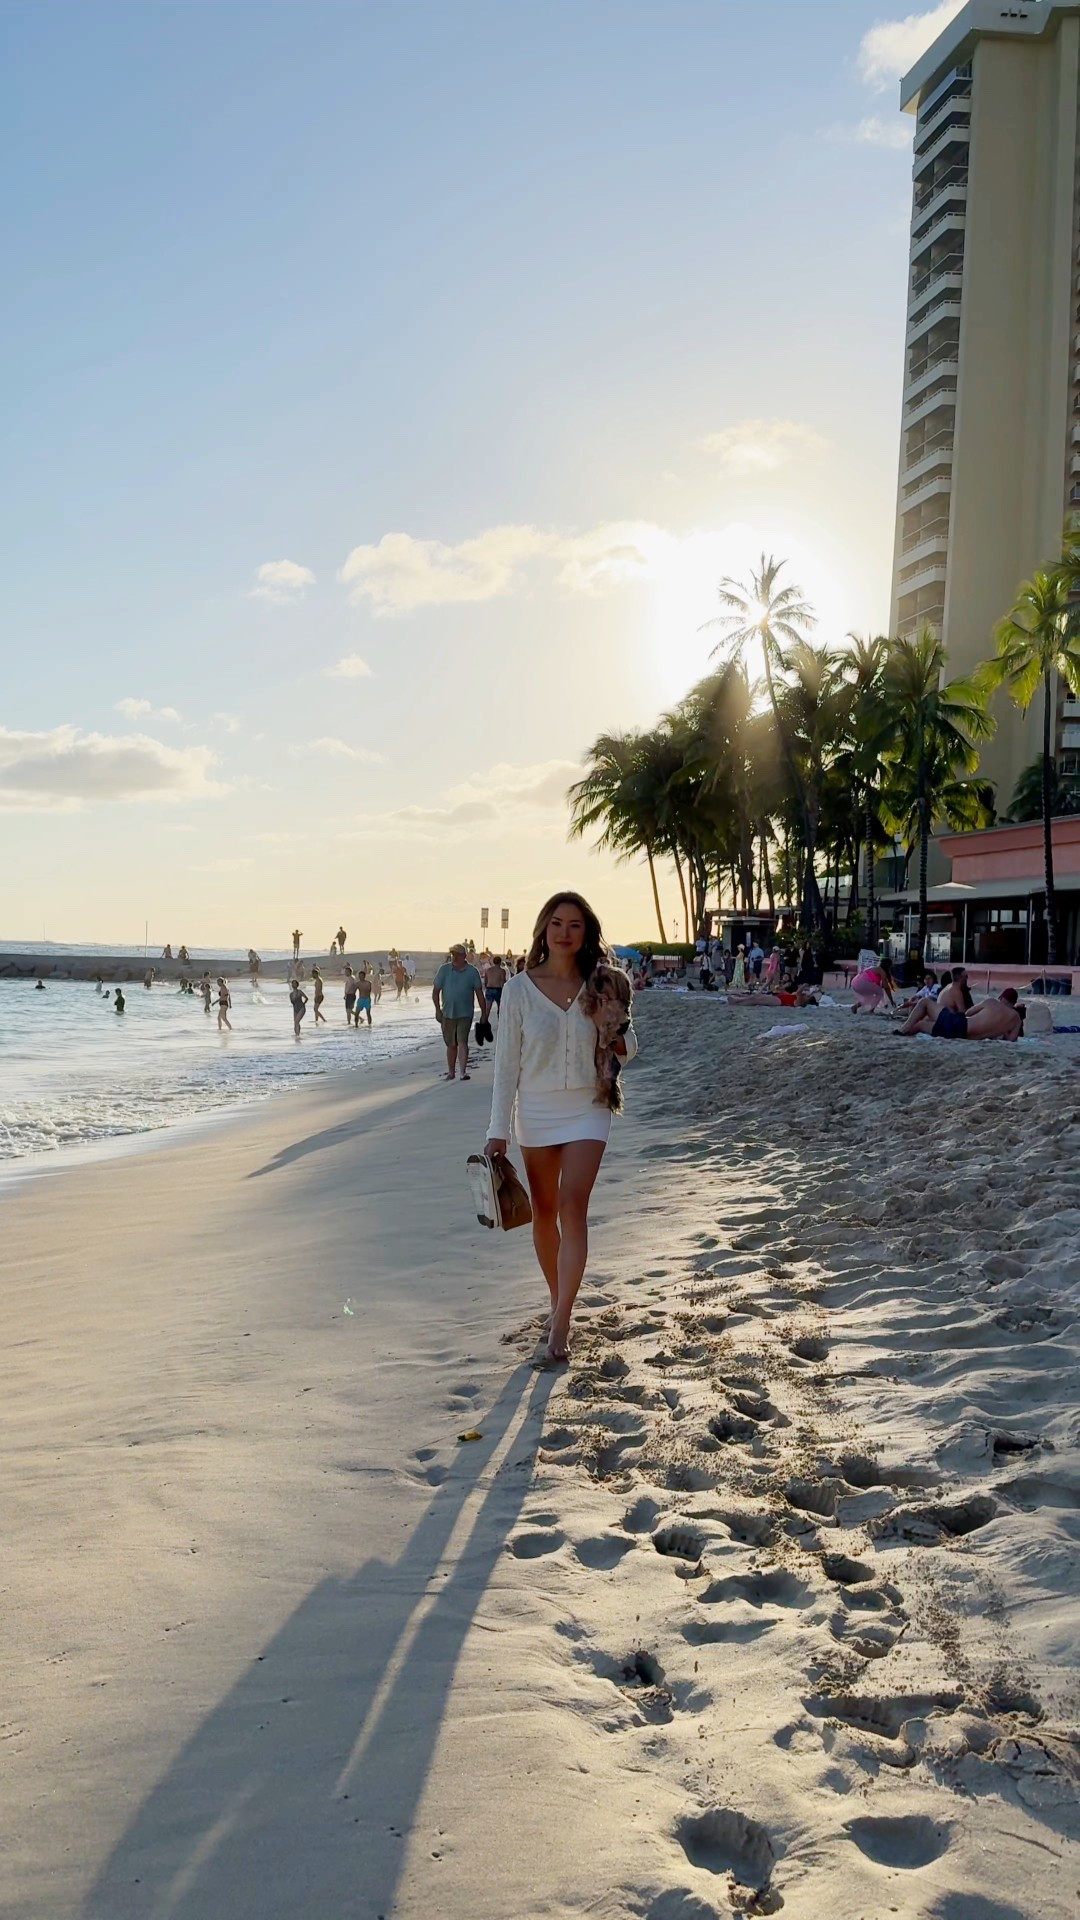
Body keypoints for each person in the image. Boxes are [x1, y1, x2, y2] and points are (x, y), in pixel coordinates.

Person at [484, 891, 638, 1367]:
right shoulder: (518, 990)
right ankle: (558, 1299)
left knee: (573, 1206)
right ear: (544, 930)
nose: (565, 932)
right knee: (545, 1211)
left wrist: (610, 1027)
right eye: (557, 923)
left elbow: (629, 1046)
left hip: (589, 1106)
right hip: (535, 1110)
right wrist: (497, 1130)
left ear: (586, 931)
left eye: (574, 924)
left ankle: (563, 1320)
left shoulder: (605, 983)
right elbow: (506, 1065)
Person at [432, 944, 487, 1081]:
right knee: (451, 1045)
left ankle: (463, 1072)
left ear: (464, 956)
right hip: (447, 1013)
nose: (454, 957)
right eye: (453, 954)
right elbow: (436, 991)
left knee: (462, 1041)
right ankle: (451, 1072)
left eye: (457, 954)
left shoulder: (472, 972)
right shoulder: (444, 970)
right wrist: (437, 1010)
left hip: (465, 1013)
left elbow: (479, 993)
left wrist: (484, 1013)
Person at [897, 966, 971, 1037]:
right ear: (960, 977)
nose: (967, 978)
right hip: (946, 1020)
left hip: (938, 1016)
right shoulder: (956, 991)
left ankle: (903, 1029)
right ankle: (904, 1027)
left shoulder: (948, 986)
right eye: (966, 976)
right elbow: (962, 1013)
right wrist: (973, 1010)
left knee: (920, 1024)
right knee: (923, 1004)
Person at [484, 954, 507, 1019]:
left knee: (487, 1008)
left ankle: (484, 1021)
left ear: (493, 962)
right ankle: (500, 1021)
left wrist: (487, 987)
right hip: (498, 989)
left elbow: (485, 981)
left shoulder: (488, 970)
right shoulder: (502, 971)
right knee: (500, 1007)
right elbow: (503, 981)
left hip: (489, 988)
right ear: (500, 962)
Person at [354, 962, 373, 1026]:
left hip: (367, 999)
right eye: (359, 976)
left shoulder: (368, 983)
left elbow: (369, 991)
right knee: (356, 1013)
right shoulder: (358, 983)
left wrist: (366, 990)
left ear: (364, 976)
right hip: (360, 999)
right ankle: (356, 1025)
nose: (360, 977)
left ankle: (370, 1025)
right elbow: (354, 991)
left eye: (361, 976)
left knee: (368, 1013)